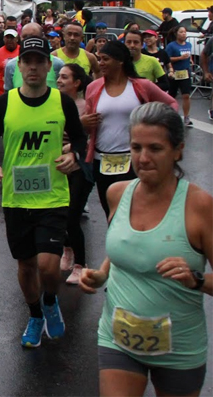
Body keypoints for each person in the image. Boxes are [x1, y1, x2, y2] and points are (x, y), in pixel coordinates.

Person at [80, 102, 212, 397]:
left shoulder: (199, 206)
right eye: (136, 147)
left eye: (155, 148)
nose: (143, 158)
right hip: (118, 339)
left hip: (179, 347)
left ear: (177, 150)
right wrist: (102, 275)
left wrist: (196, 279)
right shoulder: (118, 193)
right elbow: (127, 249)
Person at [0, 37, 86, 348]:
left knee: (48, 265)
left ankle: (51, 300)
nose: (34, 68)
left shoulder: (62, 101)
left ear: (48, 66)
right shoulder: (5, 102)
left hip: (53, 194)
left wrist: (75, 156)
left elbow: (80, 139)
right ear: (19, 66)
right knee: (26, 264)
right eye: (28, 62)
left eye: (40, 62)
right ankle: (35, 313)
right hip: (16, 196)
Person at [83, 41, 178, 218]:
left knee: (130, 210)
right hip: (101, 159)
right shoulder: (93, 88)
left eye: (105, 59)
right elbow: (88, 124)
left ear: (120, 61)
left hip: (133, 158)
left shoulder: (141, 85)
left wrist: (160, 128)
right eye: (99, 59)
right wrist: (84, 122)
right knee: (110, 211)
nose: (101, 63)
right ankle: (115, 244)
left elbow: (171, 103)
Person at [55, 63, 94, 285]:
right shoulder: (52, 104)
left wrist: (69, 149)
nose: (59, 81)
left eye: (65, 77)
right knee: (58, 215)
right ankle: (67, 249)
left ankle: (81, 264)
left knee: (71, 216)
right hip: (56, 165)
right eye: (58, 77)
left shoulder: (86, 106)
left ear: (77, 83)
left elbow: (90, 138)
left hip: (80, 167)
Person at [165, 25, 195, 126]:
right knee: (172, 96)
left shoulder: (189, 45)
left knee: (186, 95)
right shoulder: (171, 46)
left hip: (185, 73)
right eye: (181, 32)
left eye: (185, 32)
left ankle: (186, 117)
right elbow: (167, 58)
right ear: (176, 34)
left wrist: (190, 60)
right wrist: (179, 58)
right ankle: (169, 116)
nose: (183, 34)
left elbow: (188, 56)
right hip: (174, 72)